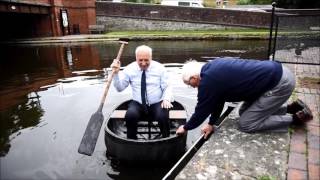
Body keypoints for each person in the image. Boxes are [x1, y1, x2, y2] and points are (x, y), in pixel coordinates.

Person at [176, 58, 313, 139]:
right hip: (279, 73)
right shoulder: (211, 67)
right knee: (243, 112)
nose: (191, 87)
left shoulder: (207, 82)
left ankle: (297, 118)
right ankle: (290, 108)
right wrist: (211, 124)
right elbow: (217, 101)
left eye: (189, 84)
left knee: (246, 124)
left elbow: (202, 110)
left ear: (194, 78)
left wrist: (186, 127)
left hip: (279, 84)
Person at [111, 45, 173, 139]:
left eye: (146, 60)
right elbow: (120, 88)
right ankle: (131, 141)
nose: (143, 63)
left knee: (163, 117)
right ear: (136, 58)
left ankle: (167, 139)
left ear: (151, 58)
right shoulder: (129, 69)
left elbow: (167, 87)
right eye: (140, 60)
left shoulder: (160, 69)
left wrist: (166, 99)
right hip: (138, 103)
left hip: (156, 103)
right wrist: (115, 74)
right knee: (130, 115)